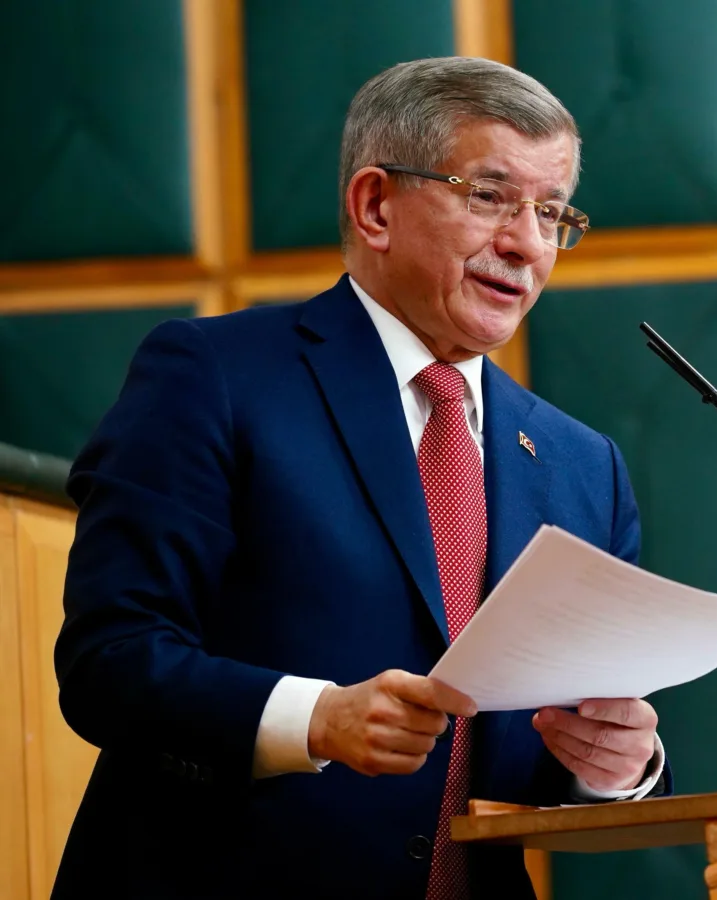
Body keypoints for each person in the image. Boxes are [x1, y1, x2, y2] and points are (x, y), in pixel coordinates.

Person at [51, 57, 667, 899]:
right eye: (491, 196)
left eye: (552, 212)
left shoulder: (582, 465)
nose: (527, 243)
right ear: (376, 206)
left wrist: (618, 767)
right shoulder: (215, 377)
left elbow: (541, 758)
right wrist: (316, 720)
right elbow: (110, 664)